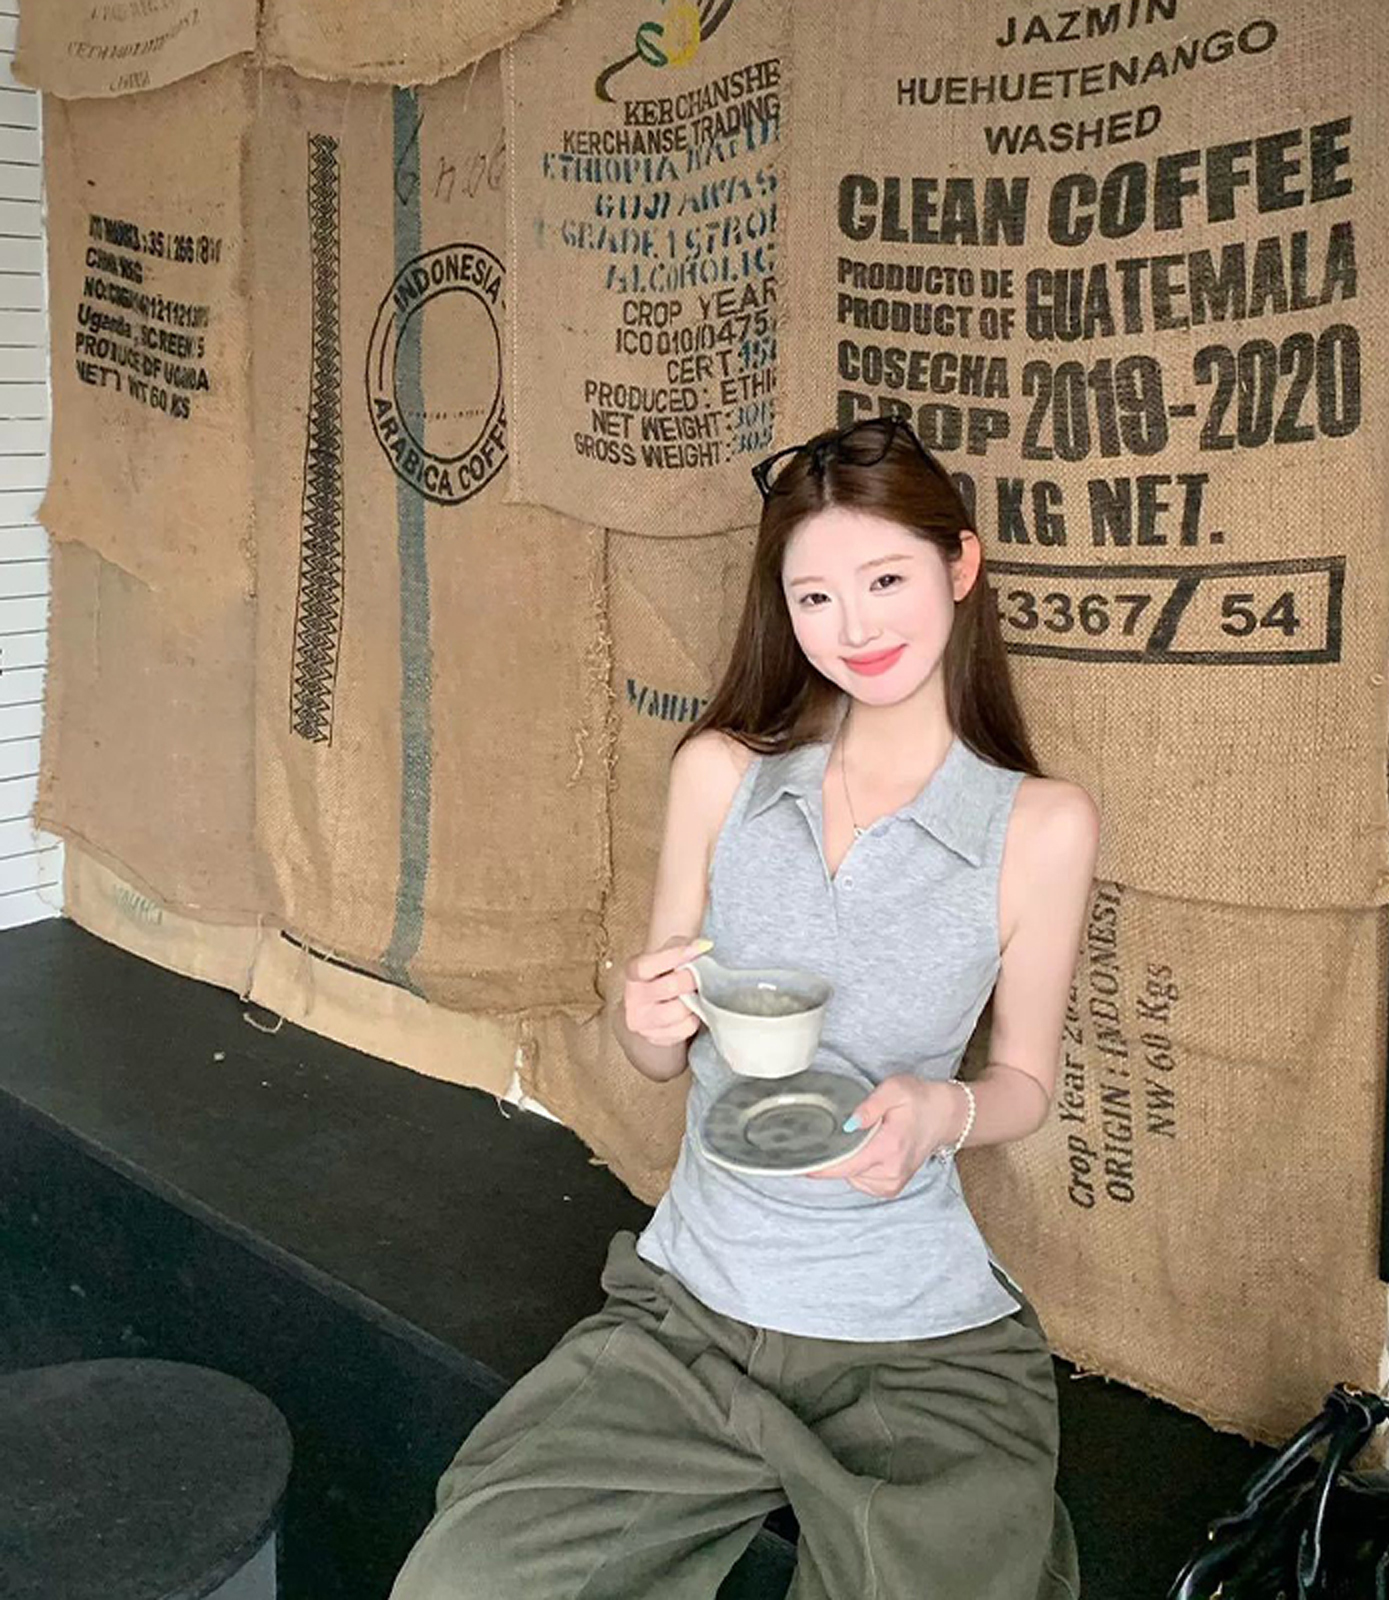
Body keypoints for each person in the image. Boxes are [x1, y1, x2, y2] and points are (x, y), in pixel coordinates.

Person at [390, 417, 1099, 1599]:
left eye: (885, 580)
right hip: (691, 1313)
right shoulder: (720, 774)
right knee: (465, 1581)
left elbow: (1023, 1080)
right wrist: (646, 1020)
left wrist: (945, 1112)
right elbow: (660, 1057)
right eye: (814, 597)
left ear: (960, 567)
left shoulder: (1040, 825)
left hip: (915, 1341)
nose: (854, 626)